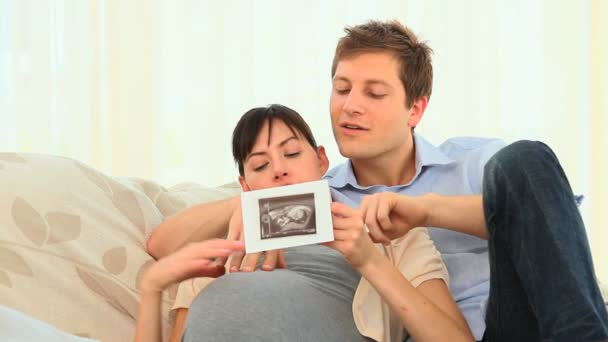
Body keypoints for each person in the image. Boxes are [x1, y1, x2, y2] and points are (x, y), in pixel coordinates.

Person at [147, 21, 608, 341]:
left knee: (525, 157)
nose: (350, 106)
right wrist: (244, 206)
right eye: (342, 89)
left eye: (374, 92)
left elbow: (550, 211)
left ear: (415, 108)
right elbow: (164, 243)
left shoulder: (474, 163)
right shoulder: (319, 201)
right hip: (417, 331)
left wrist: (423, 210)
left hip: (521, 322)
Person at [140, 104, 474, 342]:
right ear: (245, 187)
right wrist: (242, 208)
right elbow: (160, 244)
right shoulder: (225, 247)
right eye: (260, 165)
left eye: (292, 153)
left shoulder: (391, 234)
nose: (279, 170)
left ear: (322, 161)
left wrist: (369, 260)